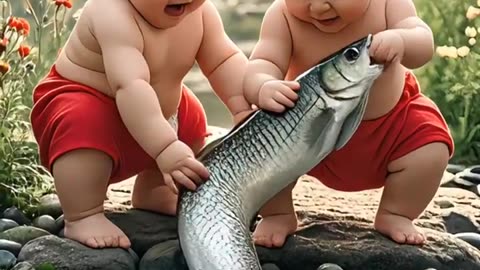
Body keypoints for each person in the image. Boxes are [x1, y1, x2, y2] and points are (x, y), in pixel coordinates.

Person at [30, 0, 251, 249]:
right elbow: (130, 85)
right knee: (81, 119)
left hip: (154, 114)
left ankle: (156, 190)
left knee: (193, 114)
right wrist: (166, 147)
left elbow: (224, 60)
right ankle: (83, 214)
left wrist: (246, 103)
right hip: (95, 109)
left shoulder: (200, 13)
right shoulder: (111, 13)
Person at [243, 0, 454, 248]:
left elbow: (423, 42)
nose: (318, 7)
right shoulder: (282, 16)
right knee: (263, 148)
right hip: (308, 132)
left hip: (389, 131)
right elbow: (262, 62)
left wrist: (402, 40)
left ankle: (396, 212)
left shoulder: (389, 4)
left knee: (430, 149)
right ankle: (277, 213)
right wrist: (262, 85)